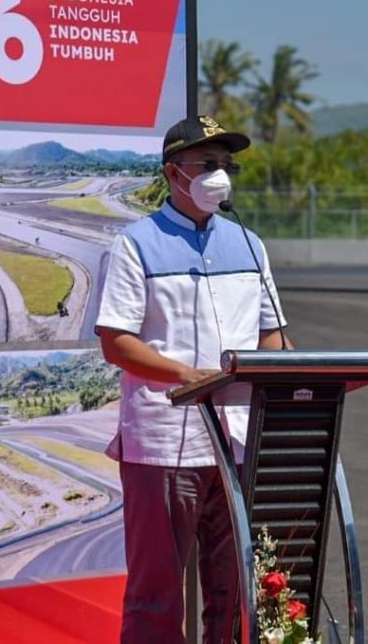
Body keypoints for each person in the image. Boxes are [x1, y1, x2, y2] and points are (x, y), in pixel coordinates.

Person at [95, 115, 292, 644]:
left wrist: (286, 371)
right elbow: (117, 341)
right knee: (156, 596)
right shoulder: (136, 244)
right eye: (208, 165)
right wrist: (189, 375)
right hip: (162, 445)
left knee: (235, 593)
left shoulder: (249, 245)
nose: (219, 176)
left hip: (235, 444)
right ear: (174, 174)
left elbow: (272, 335)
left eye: (226, 165)